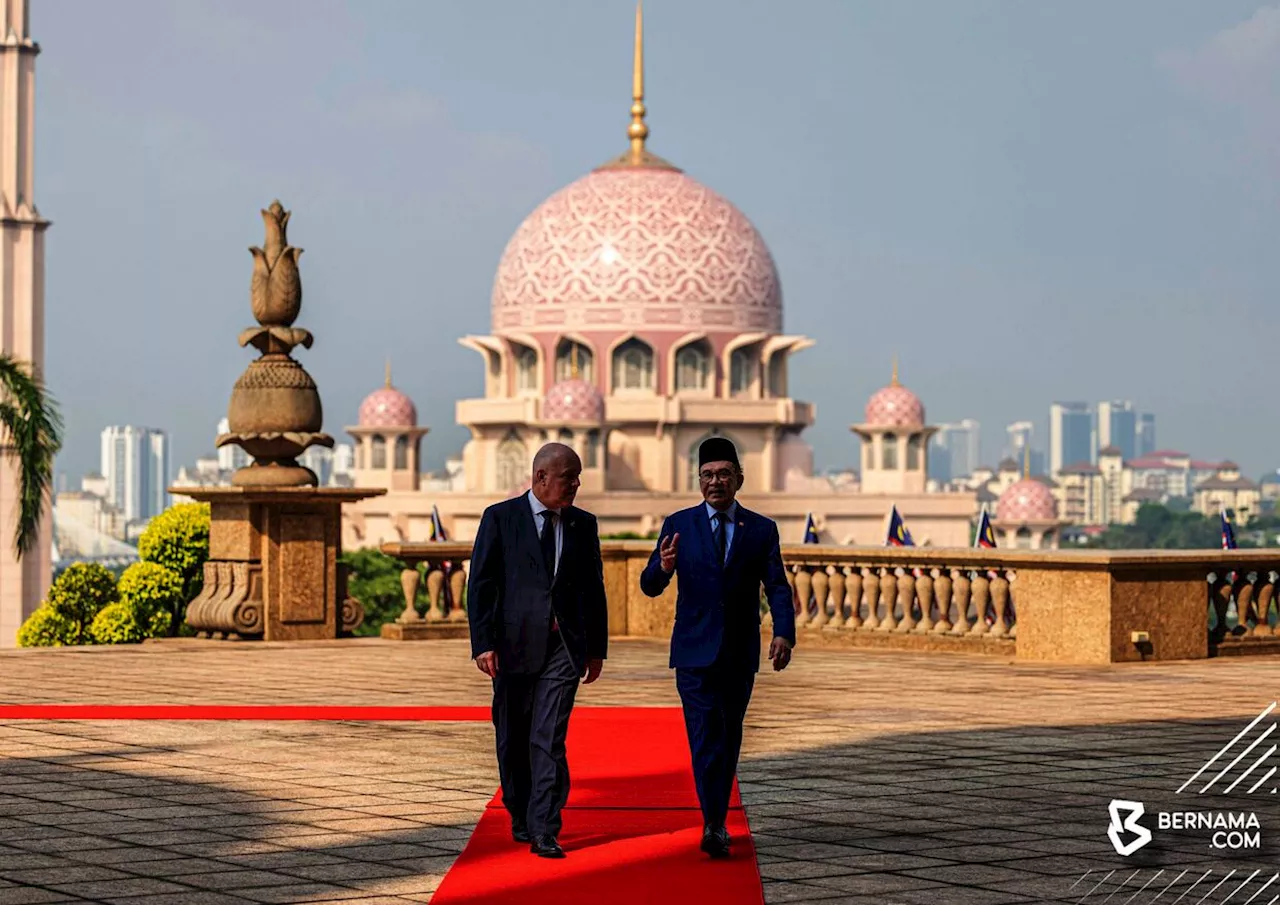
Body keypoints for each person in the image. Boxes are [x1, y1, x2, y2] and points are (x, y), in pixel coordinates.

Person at [640, 436, 796, 859]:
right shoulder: (679, 523)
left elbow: (777, 586)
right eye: (708, 475)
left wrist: (784, 632)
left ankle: (715, 816)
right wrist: (664, 566)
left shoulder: (761, 529)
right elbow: (649, 584)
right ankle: (713, 823)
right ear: (699, 480)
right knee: (703, 733)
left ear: (739, 479)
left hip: (738, 652)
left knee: (728, 736)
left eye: (724, 474)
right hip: (693, 652)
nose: (715, 482)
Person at [467, 442, 608, 859]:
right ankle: (520, 811)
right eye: (569, 478)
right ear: (541, 477)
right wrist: (483, 643)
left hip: (564, 647)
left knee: (549, 736)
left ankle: (546, 826)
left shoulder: (584, 524)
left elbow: (593, 589)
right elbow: (481, 585)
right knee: (512, 738)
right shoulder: (500, 518)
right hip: (511, 648)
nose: (576, 486)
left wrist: (595, 648)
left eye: (578, 478)